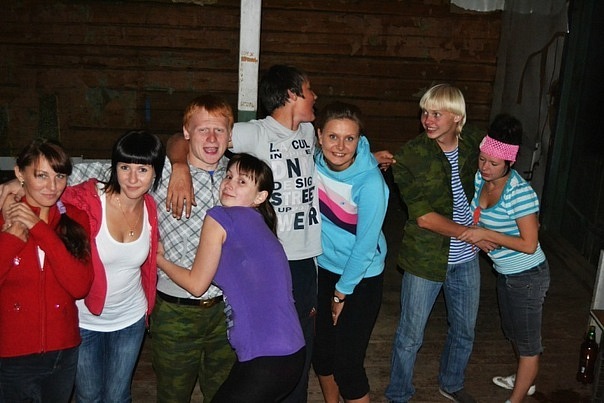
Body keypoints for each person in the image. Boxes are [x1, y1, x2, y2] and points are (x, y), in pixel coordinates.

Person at [166, 65, 394, 402]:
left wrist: (367, 159)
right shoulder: (255, 133)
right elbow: (187, 137)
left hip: (308, 263)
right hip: (272, 260)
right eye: (309, 90)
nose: (315, 96)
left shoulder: (309, 132)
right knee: (266, 348)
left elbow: (342, 149)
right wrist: (179, 165)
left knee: (300, 351)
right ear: (291, 94)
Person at [30, 95, 236, 402]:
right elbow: (66, 175)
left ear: (230, 136)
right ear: (186, 133)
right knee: (168, 394)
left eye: (219, 130)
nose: (211, 138)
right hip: (172, 309)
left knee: (224, 393)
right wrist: (19, 184)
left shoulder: (235, 176)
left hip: (224, 307)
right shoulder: (158, 173)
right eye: (203, 129)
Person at [156, 153, 306, 402]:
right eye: (228, 176)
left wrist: (159, 259)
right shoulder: (261, 224)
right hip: (290, 355)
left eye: (242, 181)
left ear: (260, 197)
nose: (229, 183)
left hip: (266, 358)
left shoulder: (221, 217)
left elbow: (196, 284)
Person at [386, 84, 494, 403]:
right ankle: (398, 394)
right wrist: (472, 234)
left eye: (436, 113)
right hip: (426, 258)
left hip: (466, 259)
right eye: (424, 112)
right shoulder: (410, 156)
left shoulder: (476, 142)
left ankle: (452, 382)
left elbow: (503, 167)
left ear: (457, 117)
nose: (427, 120)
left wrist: (507, 217)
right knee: (410, 335)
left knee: (464, 330)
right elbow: (423, 218)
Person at [62, 130, 165, 402]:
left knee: (118, 396)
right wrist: (17, 185)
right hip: (85, 320)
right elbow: (49, 191)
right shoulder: (89, 199)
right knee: (88, 396)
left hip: (131, 319)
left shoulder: (151, 208)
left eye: (142, 169)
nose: (132, 178)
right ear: (114, 168)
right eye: (124, 167)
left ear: (155, 173)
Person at [457, 114, 549, 403]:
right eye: (482, 159)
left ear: (510, 162)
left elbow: (529, 244)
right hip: (505, 273)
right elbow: (476, 217)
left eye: (493, 164)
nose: (485, 167)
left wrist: (488, 234)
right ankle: (525, 379)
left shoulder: (520, 194)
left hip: (528, 276)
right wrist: (480, 237)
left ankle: (516, 398)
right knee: (513, 332)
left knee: (528, 344)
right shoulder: (479, 179)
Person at [0, 138, 93, 402]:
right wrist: (11, 240)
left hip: (63, 351)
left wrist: (40, 230)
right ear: (20, 174)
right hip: (13, 354)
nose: (52, 187)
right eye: (41, 175)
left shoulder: (75, 218)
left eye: (59, 176)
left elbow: (80, 286)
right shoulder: (4, 217)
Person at [312, 102, 388, 403]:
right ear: (319, 136)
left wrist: (341, 293)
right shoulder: (311, 164)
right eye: (333, 137)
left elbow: (365, 247)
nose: (340, 147)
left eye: (349, 138)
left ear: (359, 140)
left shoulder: (370, 183)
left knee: (348, 366)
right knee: (322, 354)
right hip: (323, 269)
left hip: (361, 277)